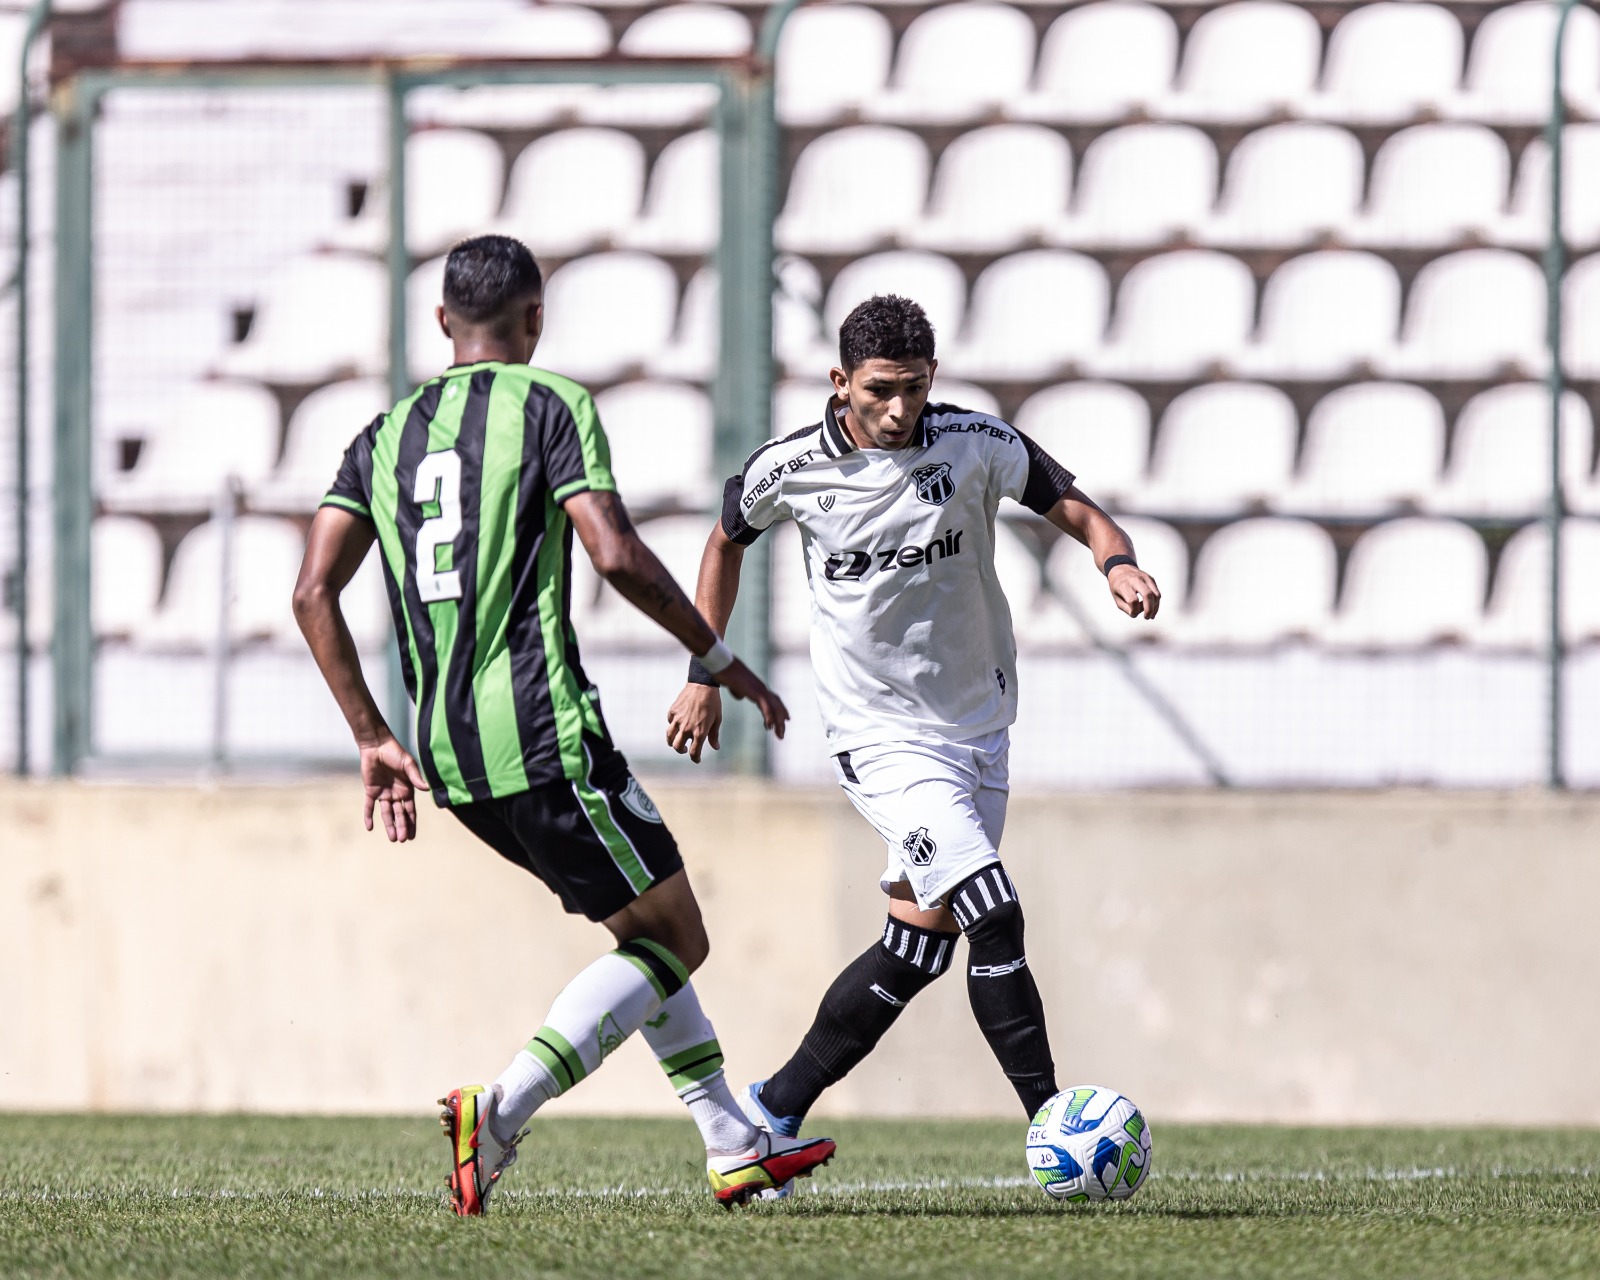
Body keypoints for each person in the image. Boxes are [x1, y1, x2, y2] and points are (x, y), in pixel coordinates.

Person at [293, 234, 835, 1215]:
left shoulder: (382, 435)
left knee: (643, 932)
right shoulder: (551, 405)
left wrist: (372, 734)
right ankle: (501, 1109)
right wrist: (716, 657)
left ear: (442, 321)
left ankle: (730, 1141)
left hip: (447, 757)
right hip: (543, 734)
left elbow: (311, 591)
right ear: (535, 318)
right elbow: (614, 554)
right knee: (677, 938)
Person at [665, 293, 1162, 1176]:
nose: (899, 410)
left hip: (979, 728)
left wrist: (1117, 563)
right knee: (994, 915)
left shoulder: (974, 443)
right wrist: (706, 671)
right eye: (880, 391)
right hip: (881, 739)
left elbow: (1080, 510)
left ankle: (769, 1112)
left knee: (918, 947)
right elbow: (723, 541)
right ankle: (1058, 1131)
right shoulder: (790, 468)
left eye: (915, 388)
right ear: (840, 382)